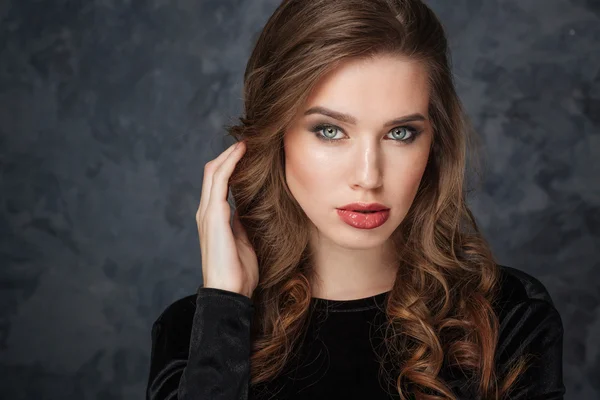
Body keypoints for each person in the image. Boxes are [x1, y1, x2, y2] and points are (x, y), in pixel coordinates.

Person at [146, 0, 565, 399]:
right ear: (274, 136)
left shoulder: (507, 317)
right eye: (330, 131)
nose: (369, 177)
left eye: (400, 133)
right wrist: (224, 308)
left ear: (434, 143)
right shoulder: (194, 333)